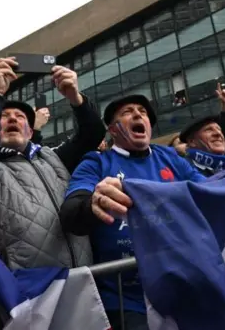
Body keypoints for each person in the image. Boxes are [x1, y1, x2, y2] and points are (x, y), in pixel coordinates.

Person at [59, 94, 205, 330]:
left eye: (143, 112)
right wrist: (92, 203)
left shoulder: (170, 158)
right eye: (127, 112)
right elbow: (71, 212)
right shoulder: (96, 163)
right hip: (125, 299)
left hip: (181, 287)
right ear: (113, 129)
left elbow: (208, 191)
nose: (138, 115)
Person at [0, 57, 106, 269]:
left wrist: (75, 98)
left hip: (79, 283)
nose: (12, 119)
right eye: (3, 116)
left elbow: (93, 134)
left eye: (20, 116)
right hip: (25, 293)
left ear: (31, 131)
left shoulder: (53, 158)